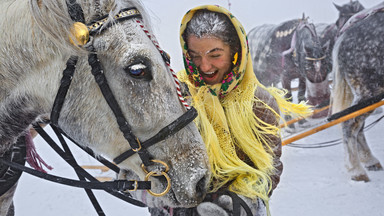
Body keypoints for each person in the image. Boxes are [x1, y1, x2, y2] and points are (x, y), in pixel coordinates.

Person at [174, 5, 311, 216]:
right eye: (195, 56)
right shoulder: (177, 95)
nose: (204, 66)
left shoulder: (259, 102)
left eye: (215, 54)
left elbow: (269, 169)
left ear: (235, 51)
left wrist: (236, 203)